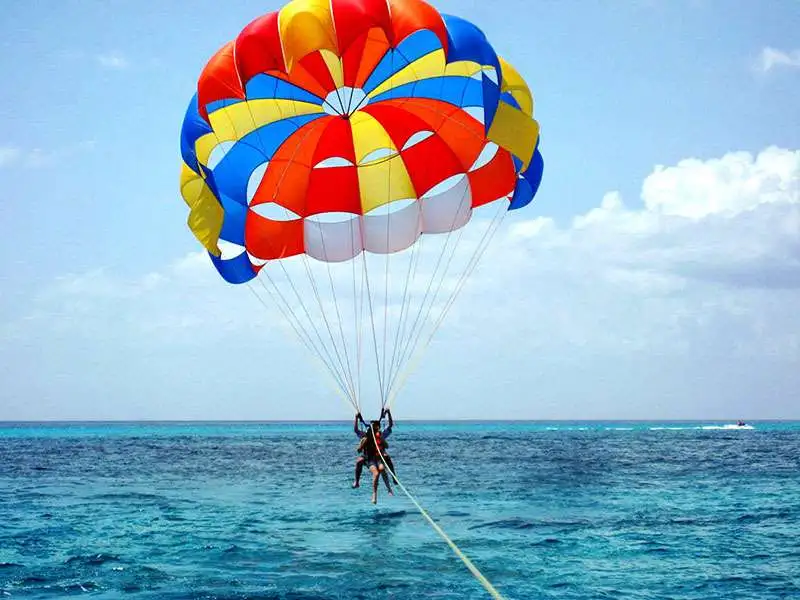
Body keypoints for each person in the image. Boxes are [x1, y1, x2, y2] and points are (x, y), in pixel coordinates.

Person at [353, 409, 396, 502]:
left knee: (382, 467)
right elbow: (356, 430)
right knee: (359, 461)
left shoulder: (381, 435)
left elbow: (390, 426)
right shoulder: (365, 436)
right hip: (368, 459)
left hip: (379, 458)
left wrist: (388, 413)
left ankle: (393, 480)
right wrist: (356, 417)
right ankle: (357, 482)